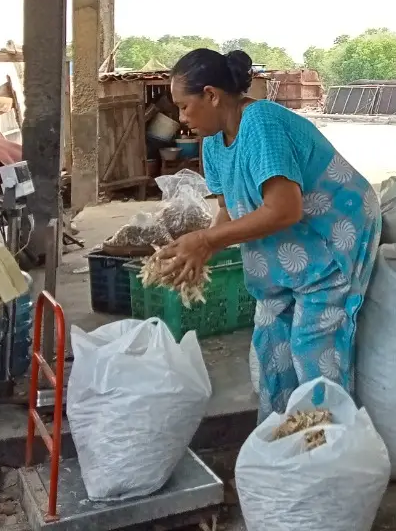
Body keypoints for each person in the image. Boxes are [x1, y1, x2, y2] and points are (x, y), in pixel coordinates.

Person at [153, 48, 380, 420]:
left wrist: (207, 241)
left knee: (311, 345)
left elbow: (284, 209)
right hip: (290, 250)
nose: (181, 118)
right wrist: (201, 249)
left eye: (184, 106)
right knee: (271, 343)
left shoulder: (261, 122)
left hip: (330, 240)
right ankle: (279, 441)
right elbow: (228, 210)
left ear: (211, 95)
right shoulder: (212, 143)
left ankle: (326, 448)